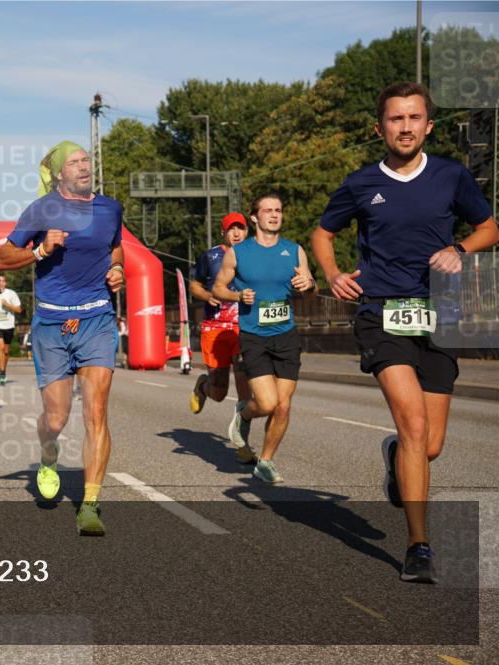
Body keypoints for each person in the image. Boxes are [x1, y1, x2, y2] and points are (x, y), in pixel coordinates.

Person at [311, 81, 497, 584]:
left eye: (415, 118)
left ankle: (396, 455)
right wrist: (332, 274)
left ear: (429, 126)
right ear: (380, 128)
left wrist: (460, 249)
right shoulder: (360, 183)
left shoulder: (451, 176)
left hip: (441, 315)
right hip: (380, 311)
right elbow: (322, 234)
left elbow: (490, 227)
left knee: (429, 444)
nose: (406, 127)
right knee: (413, 424)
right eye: (396, 119)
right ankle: (419, 545)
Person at [0, 141, 124, 537]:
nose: (84, 166)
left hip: (97, 319)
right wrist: (40, 252)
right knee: (56, 418)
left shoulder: (110, 208)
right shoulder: (41, 211)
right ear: (57, 174)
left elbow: (115, 246)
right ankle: (47, 457)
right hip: (52, 323)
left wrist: (117, 269)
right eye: (74, 162)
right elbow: (3, 258)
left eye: (86, 159)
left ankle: (89, 503)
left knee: (96, 412)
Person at [212, 192, 316, 484]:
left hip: (286, 335)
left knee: (284, 406)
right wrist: (237, 295)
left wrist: (309, 284)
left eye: (279, 210)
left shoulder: (294, 250)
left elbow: (310, 289)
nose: (274, 215)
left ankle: (266, 461)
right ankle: (245, 415)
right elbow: (218, 288)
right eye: (268, 210)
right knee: (268, 404)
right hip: (254, 336)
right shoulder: (239, 252)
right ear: (255, 217)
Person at [189, 212, 255, 464]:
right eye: (231, 229)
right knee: (218, 392)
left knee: (244, 389)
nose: (236, 233)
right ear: (223, 233)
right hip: (215, 329)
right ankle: (204, 386)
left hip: (244, 329)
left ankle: (242, 443)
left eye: (241, 228)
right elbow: (194, 285)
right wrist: (207, 296)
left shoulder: (256, 254)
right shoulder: (211, 256)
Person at [0, 274, 22, 385]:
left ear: (5, 283)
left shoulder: (11, 294)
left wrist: (8, 305)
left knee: (6, 351)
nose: (0, 283)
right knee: (1, 346)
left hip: (8, 325)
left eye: (2, 281)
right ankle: (2, 373)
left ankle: (3, 371)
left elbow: (19, 310)